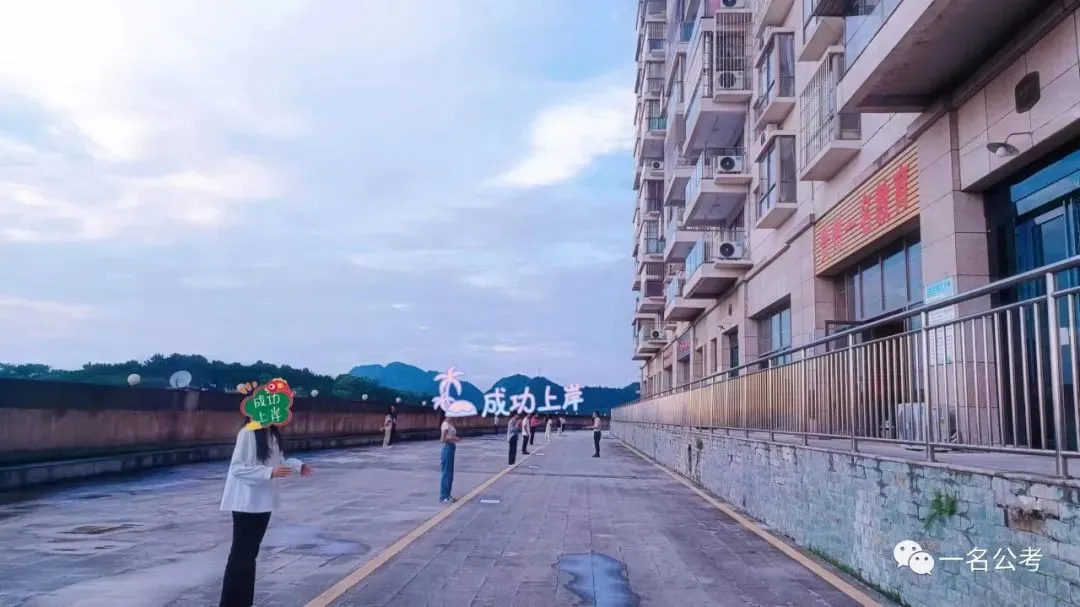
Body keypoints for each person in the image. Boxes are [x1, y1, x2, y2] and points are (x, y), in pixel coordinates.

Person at [219, 422, 312, 607]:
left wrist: (297, 466)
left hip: (263, 504)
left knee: (249, 556)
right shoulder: (248, 432)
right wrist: (269, 472)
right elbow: (237, 468)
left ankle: (243, 602)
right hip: (246, 504)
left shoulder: (272, 434)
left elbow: (278, 463)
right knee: (241, 556)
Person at [439, 408, 459, 504]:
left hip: (452, 448)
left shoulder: (451, 423)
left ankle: (448, 494)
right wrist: (454, 438)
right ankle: (443, 496)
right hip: (447, 448)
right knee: (446, 472)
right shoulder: (445, 424)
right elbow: (442, 439)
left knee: (450, 473)